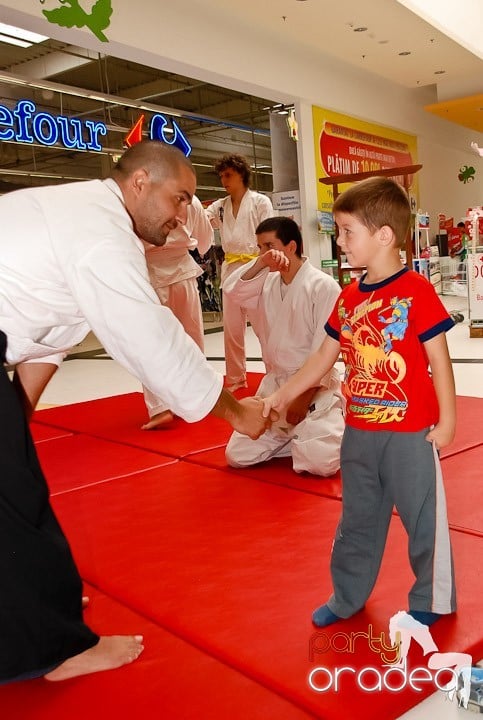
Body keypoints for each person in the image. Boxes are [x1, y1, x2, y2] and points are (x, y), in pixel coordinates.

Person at [0, 140, 272, 685]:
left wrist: (16, 426)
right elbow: (148, 337)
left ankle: (32, 600)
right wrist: (238, 413)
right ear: (140, 182)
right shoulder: (100, 232)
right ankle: (52, 648)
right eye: (180, 198)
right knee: (16, 504)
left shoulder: (83, 217)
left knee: (15, 483)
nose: (182, 216)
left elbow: (50, 343)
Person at [261, 177, 457, 629]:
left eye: (348, 232)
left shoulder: (416, 291)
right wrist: (281, 394)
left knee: (423, 520)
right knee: (356, 522)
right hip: (360, 433)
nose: (340, 241)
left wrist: (448, 422)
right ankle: (348, 595)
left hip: (411, 433)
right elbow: (320, 361)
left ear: (384, 235)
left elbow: (439, 362)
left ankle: (432, 596)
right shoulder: (347, 298)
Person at [223, 216, 344, 475]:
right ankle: (294, 439)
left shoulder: (324, 286)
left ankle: (328, 430)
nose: (265, 254)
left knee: (320, 464)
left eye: (269, 246)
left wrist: (301, 398)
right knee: (237, 454)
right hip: (276, 387)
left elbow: (323, 351)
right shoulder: (266, 282)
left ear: (291, 246)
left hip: (313, 388)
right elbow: (233, 291)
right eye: (260, 248)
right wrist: (260, 263)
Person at [141, 194, 213, 429]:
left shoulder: (137, 197)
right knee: (192, 339)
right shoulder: (188, 196)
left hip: (151, 273)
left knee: (153, 342)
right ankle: (197, 398)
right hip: (183, 271)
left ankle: (160, 407)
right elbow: (204, 241)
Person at [206, 153, 273, 392]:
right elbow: (201, 219)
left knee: (263, 328)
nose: (224, 180)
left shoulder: (260, 202)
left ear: (241, 174)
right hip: (231, 270)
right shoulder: (220, 206)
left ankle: (275, 374)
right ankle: (235, 378)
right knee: (232, 329)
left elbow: (270, 235)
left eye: (228, 175)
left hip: (256, 267)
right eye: (222, 175)